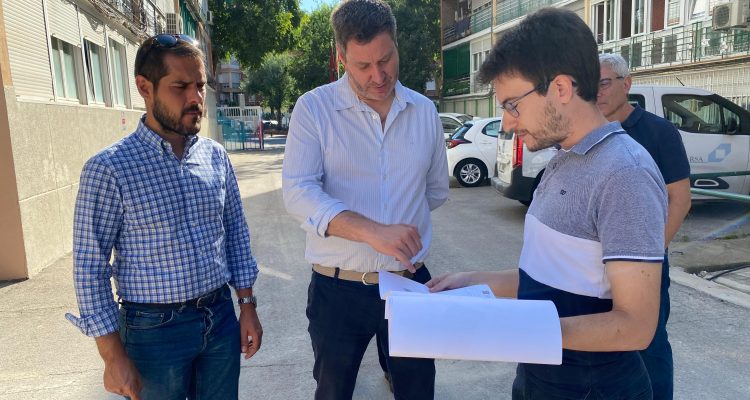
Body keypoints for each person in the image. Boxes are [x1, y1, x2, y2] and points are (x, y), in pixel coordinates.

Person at [427, 8, 667, 399]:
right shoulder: (561, 159)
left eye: (512, 105)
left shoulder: (625, 174)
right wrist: (473, 281)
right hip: (540, 375)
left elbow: (636, 326)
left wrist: (521, 330)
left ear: (560, 88)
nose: (507, 123)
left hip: (592, 387)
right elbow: (549, 281)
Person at [65, 34, 262, 400]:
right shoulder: (110, 169)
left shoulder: (215, 157)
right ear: (145, 87)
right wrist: (111, 354)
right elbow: (90, 266)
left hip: (219, 318)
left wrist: (246, 305)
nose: (196, 98)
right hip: (152, 333)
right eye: (180, 87)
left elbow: (235, 234)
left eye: (199, 86)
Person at [281, 0, 449, 398]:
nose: (378, 75)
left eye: (386, 59)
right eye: (363, 66)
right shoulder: (314, 109)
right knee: (333, 391)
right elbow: (298, 192)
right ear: (342, 58)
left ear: (396, 46)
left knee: (418, 391)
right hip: (338, 288)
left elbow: (434, 190)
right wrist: (373, 232)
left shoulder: (424, 112)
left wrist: (399, 227)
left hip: (408, 284)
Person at [597, 53, 691, 400]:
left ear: (627, 84)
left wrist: (650, 254)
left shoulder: (659, 132)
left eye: (604, 83)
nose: (597, 92)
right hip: (597, 262)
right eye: (590, 85)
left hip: (645, 263)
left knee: (649, 344)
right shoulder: (591, 133)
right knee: (606, 341)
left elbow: (680, 199)